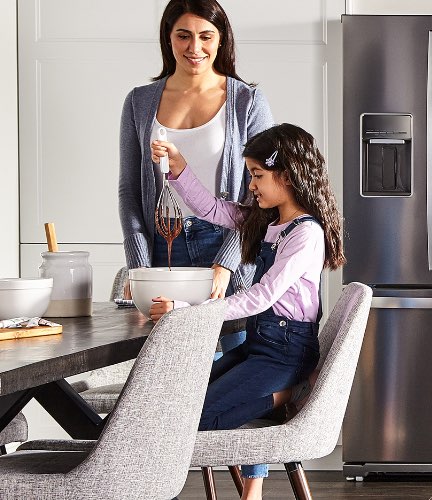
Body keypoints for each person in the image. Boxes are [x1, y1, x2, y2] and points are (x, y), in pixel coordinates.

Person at [149, 123, 345, 500]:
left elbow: (261, 297)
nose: (251, 185)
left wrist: (190, 310)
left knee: (199, 419)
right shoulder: (269, 222)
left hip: (285, 353)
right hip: (259, 347)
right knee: (184, 402)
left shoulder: (306, 234)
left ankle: (282, 397)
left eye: (257, 175)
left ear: (286, 176)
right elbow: (210, 208)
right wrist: (179, 167)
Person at [118, 0, 273, 351]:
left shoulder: (246, 102)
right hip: (162, 248)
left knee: (226, 368)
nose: (195, 48)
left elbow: (260, 192)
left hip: (222, 243)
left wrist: (228, 262)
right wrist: (139, 266)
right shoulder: (138, 102)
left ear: (221, 40)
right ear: (168, 38)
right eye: (183, 35)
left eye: (206, 36)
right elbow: (129, 191)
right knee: (168, 372)